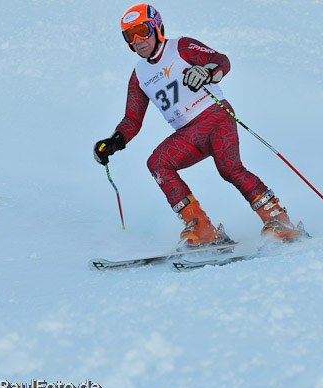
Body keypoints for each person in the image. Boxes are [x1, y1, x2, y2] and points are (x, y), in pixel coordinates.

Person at [94, 3, 307, 248]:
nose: (138, 40)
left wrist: (206, 72)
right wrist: (114, 141)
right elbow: (132, 118)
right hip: (188, 133)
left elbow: (220, 61)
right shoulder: (139, 75)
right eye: (130, 36)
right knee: (158, 163)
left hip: (215, 116)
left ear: (156, 27)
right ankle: (200, 227)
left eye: (142, 30)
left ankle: (279, 220)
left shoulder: (180, 47)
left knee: (230, 169)